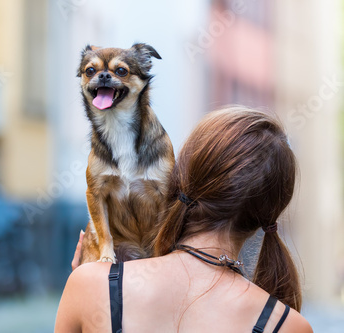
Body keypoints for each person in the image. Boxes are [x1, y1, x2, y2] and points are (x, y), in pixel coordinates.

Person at [55, 107, 313, 332]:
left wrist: (90, 291)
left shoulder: (91, 286)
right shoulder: (287, 325)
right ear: (270, 213)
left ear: (179, 180)